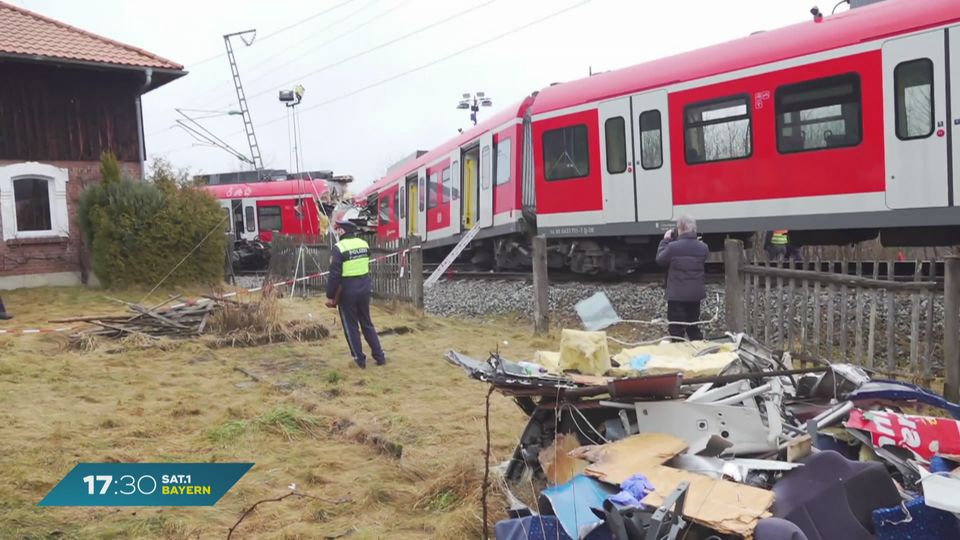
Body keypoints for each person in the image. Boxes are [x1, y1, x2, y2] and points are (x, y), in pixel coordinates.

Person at [325, 219, 386, 369]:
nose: (337, 232)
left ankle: (359, 359)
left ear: (343, 231)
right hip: (364, 287)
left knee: (350, 326)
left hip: (347, 290)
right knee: (367, 323)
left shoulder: (339, 247)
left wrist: (330, 294)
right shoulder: (363, 244)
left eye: (339, 229)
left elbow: (335, 274)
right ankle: (379, 356)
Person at [655, 215, 708, 341]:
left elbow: (660, 260)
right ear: (693, 229)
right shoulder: (703, 247)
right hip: (695, 295)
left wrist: (665, 240)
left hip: (676, 296)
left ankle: (680, 354)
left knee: (676, 330)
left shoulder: (673, 247)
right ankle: (699, 351)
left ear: (679, 228)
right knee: (693, 326)